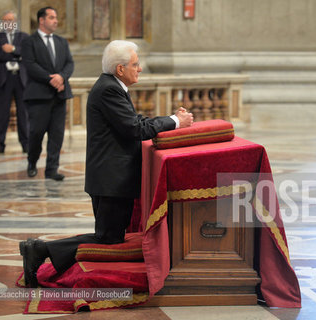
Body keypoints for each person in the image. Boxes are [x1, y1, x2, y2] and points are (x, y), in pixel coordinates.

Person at [19, 40, 193, 288]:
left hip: (110, 177)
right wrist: (175, 120)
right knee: (107, 239)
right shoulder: (109, 89)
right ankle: (39, 249)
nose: (140, 69)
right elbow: (135, 128)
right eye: (135, 64)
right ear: (120, 69)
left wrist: (170, 119)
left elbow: (133, 120)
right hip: (111, 179)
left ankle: (40, 249)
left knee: (109, 238)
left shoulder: (112, 86)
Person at [21, 6, 74, 181]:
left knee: (57, 135)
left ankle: (52, 169)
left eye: (56, 17)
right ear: (41, 20)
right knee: (36, 133)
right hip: (38, 95)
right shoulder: (30, 41)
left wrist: (61, 77)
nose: (55, 21)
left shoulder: (61, 42)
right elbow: (30, 64)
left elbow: (69, 63)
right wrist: (50, 79)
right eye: (51, 17)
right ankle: (32, 162)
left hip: (59, 95)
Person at [0, 11, 29, 155]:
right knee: (2, 113)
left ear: (15, 21)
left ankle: (26, 144)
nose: (8, 23)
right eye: (5, 21)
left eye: (10, 20)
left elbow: (26, 54)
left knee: (23, 113)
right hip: (3, 79)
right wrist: (17, 55)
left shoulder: (24, 36)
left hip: (20, 78)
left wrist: (12, 49)